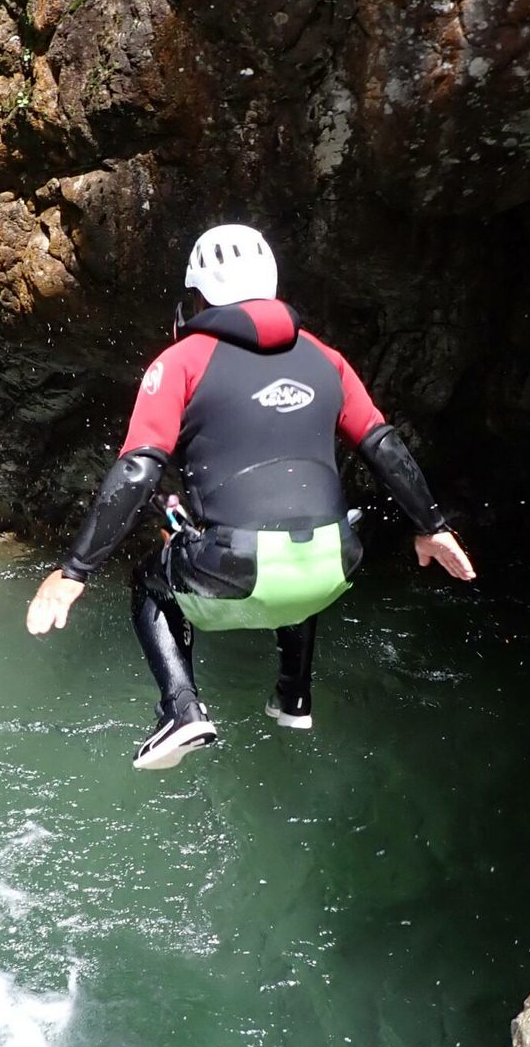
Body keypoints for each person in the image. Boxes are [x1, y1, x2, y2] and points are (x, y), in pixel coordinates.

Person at [26, 224, 477, 769]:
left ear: (198, 297)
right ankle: (293, 696)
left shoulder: (182, 361)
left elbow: (139, 470)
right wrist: (431, 525)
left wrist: (74, 571)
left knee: (150, 581)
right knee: (296, 539)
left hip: (239, 562)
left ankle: (181, 711)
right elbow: (383, 446)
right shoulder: (327, 358)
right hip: (334, 564)